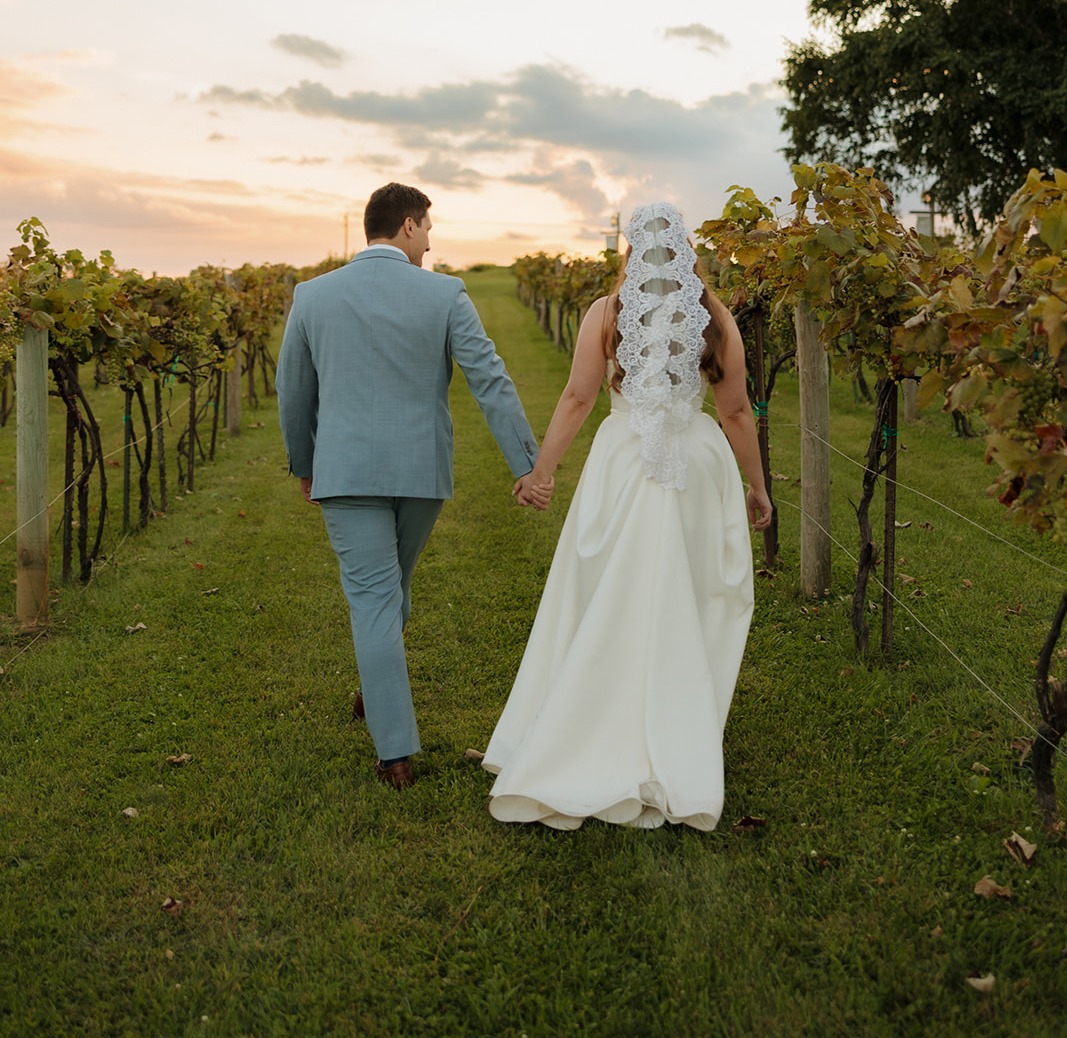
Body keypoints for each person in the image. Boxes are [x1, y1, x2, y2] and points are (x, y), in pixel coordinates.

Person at [483, 202, 773, 830]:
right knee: (688, 595)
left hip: (622, 460)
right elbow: (737, 411)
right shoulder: (715, 318)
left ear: (632, 253)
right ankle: (679, 725)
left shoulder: (607, 314)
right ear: (689, 250)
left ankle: (595, 716)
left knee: (604, 592)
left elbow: (580, 395)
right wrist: (756, 484)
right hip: (697, 465)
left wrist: (543, 471)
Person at [277, 182, 550, 790]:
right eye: (427, 228)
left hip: (345, 473)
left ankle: (382, 708)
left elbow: (293, 391)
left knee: (381, 595)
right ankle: (394, 747)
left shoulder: (312, 296)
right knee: (385, 593)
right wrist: (526, 465)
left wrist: (305, 464)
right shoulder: (446, 293)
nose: (430, 241)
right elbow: (491, 380)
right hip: (421, 473)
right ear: (405, 227)